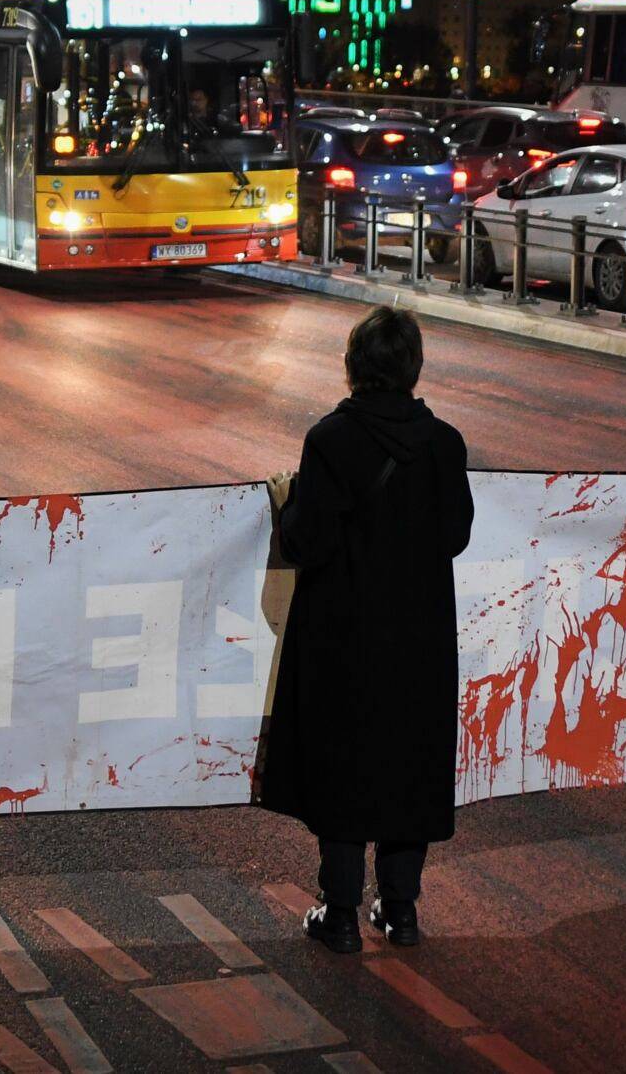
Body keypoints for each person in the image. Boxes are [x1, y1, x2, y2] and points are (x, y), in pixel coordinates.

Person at [260, 306, 473, 951]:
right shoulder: (445, 444)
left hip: (343, 636)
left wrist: (288, 500)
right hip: (419, 638)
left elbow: (306, 541)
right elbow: (455, 535)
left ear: (354, 367)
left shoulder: (330, 440)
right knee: (410, 761)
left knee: (343, 763)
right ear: (413, 369)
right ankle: (401, 910)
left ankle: (342, 913)